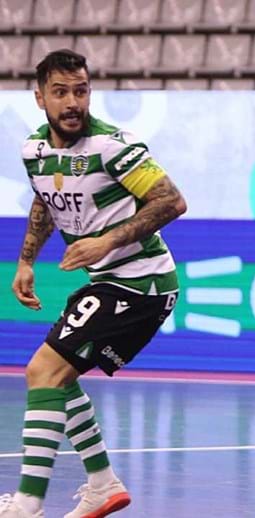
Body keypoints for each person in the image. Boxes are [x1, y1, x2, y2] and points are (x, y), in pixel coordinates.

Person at [4, 49, 186, 518]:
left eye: (80, 91)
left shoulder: (113, 146)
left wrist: (105, 242)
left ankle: (26, 504)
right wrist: (26, 261)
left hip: (140, 283)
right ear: (40, 97)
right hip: (110, 282)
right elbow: (47, 201)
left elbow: (171, 201)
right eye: (60, 92)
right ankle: (103, 484)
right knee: (58, 380)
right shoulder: (34, 150)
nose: (72, 103)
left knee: (42, 371)